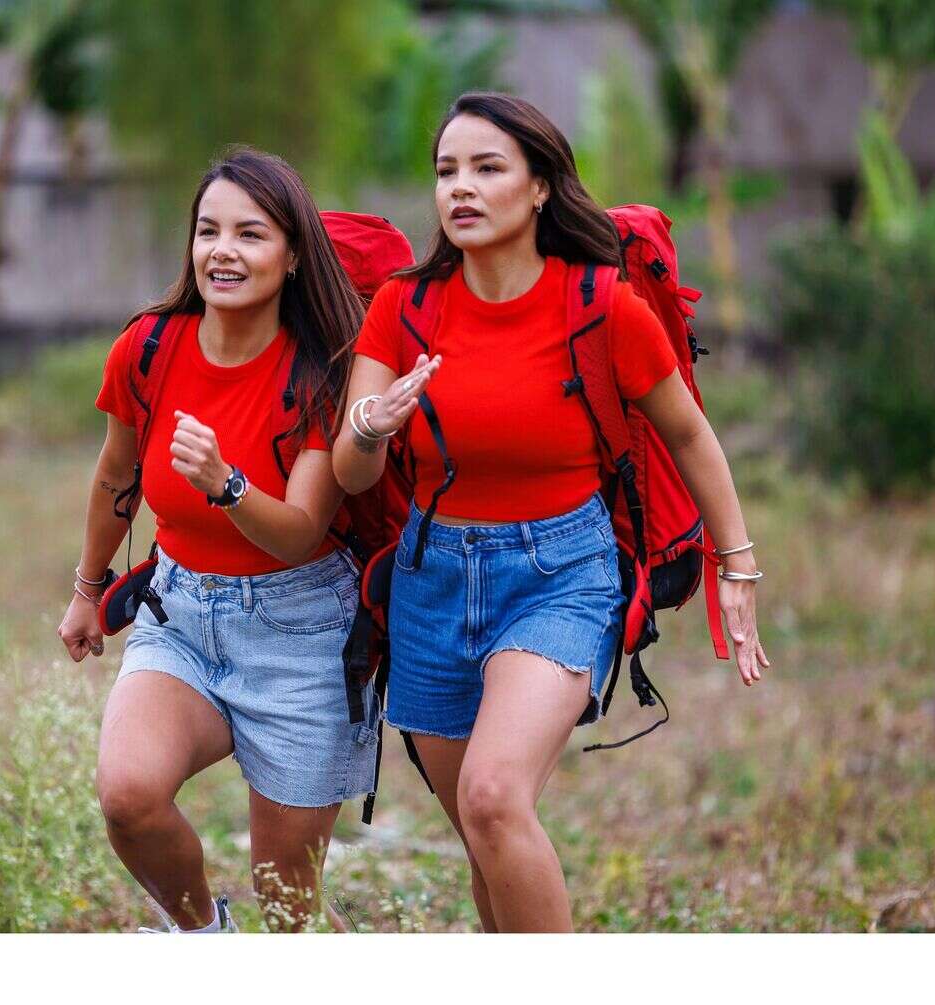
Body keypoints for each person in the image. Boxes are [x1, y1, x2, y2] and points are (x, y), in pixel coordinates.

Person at [332, 92, 771, 933]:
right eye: (446, 171)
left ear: (540, 188)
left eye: (487, 168)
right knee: (484, 832)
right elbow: (357, 474)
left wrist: (737, 563)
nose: (460, 187)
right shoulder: (404, 307)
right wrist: (368, 425)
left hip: (559, 573)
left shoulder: (599, 305)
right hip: (432, 580)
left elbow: (689, 433)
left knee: (495, 798)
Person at [57, 149, 376, 933]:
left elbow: (300, 531)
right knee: (128, 796)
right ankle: (204, 937)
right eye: (208, 231)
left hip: (301, 631)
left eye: (250, 234)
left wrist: (226, 481)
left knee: (290, 903)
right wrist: (88, 590)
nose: (222, 251)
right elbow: (115, 476)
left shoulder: (323, 371)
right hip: (183, 614)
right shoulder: (150, 349)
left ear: (295, 254)